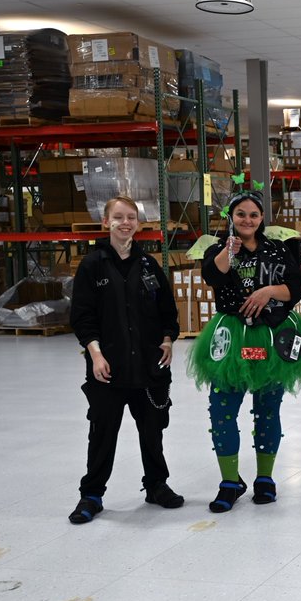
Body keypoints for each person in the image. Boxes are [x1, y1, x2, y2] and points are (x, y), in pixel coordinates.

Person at [188, 190, 301, 513]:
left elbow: (296, 285)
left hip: (272, 336)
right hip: (232, 338)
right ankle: (229, 482)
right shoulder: (220, 248)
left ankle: (265, 478)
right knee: (221, 412)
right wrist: (228, 251)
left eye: (253, 215)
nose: (247, 220)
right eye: (240, 215)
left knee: (267, 410)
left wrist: (268, 292)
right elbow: (211, 276)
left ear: (262, 218)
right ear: (231, 218)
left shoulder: (279, 249)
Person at [68, 195, 182, 524]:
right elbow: (82, 317)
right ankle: (91, 494)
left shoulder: (149, 265)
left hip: (149, 369)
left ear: (138, 224)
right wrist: (96, 355)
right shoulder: (93, 265)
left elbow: (167, 311)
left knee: (152, 431)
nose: (125, 223)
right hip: (108, 370)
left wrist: (167, 339)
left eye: (131, 217)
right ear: (106, 223)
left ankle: (157, 485)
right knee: (102, 433)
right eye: (118, 217)